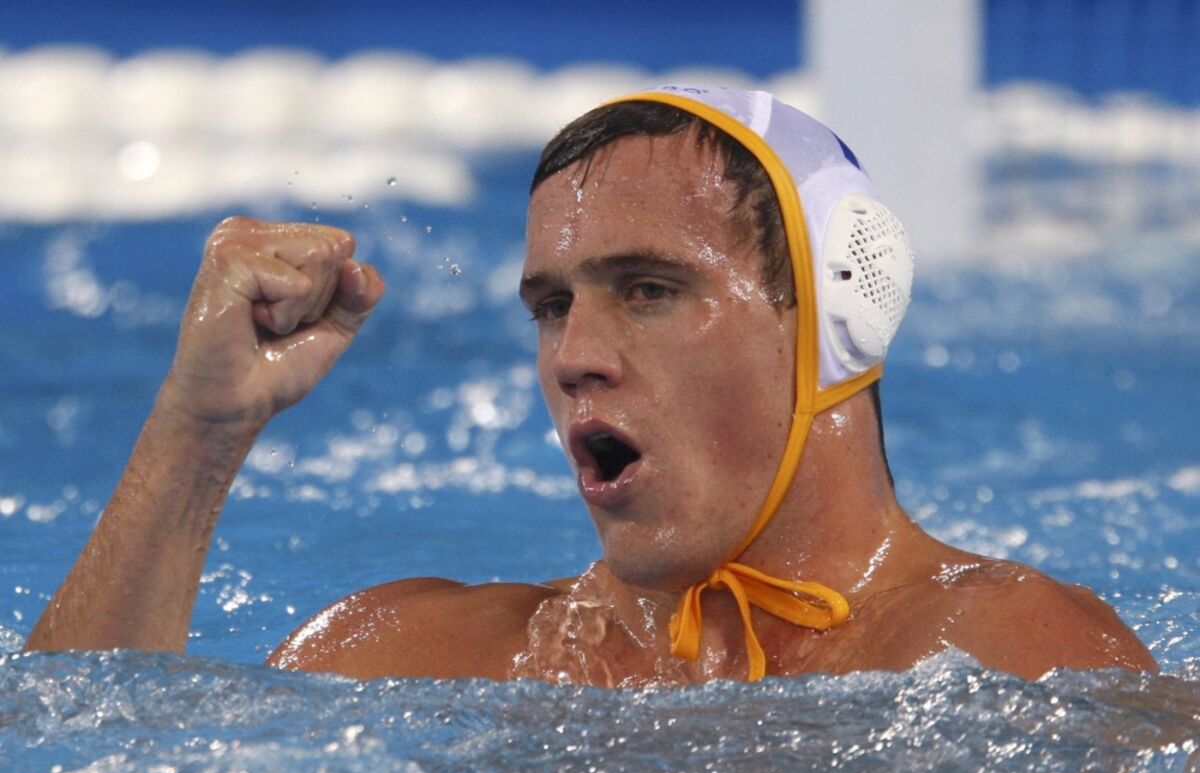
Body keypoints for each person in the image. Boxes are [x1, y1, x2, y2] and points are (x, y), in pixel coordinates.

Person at [26, 85, 1157, 685]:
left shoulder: (1009, 653)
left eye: (650, 290)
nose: (574, 354)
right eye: (551, 304)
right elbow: (78, 753)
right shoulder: (411, 653)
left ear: (834, 320)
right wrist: (196, 432)